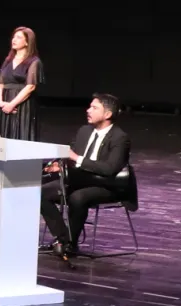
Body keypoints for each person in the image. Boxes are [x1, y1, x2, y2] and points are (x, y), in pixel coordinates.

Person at [41, 93, 133, 257]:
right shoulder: (84, 131)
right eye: (90, 107)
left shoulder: (120, 138)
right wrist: (60, 165)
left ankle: (71, 243)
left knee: (77, 197)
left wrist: (77, 159)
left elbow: (109, 169)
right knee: (41, 192)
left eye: (94, 108)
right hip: (80, 180)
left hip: (106, 185)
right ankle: (64, 239)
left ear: (107, 114)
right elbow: (71, 155)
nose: (88, 110)